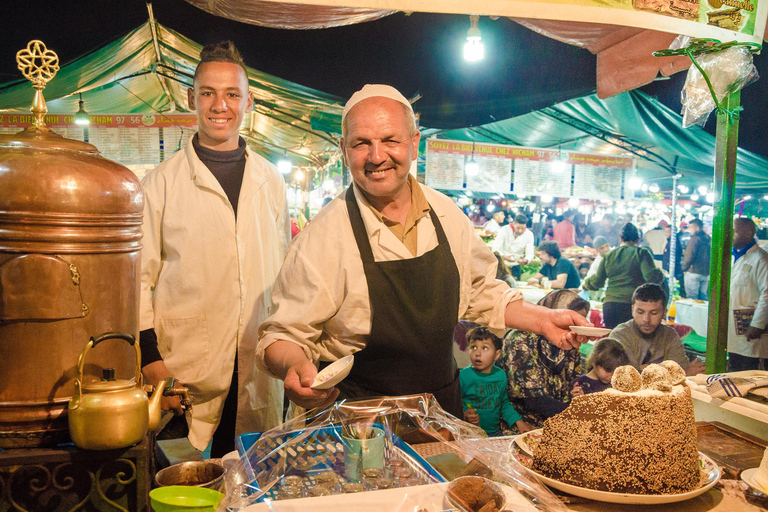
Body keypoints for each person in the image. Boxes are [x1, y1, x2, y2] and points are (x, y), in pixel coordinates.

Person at [256, 84, 591, 417]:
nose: (376, 156)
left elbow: (481, 291)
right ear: (344, 148)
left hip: (441, 416)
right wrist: (296, 364)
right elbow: (281, 336)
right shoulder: (322, 238)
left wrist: (545, 320)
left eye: (390, 140)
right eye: (361, 143)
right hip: (358, 422)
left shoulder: (447, 216)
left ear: (414, 143)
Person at [139, 41, 289, 456]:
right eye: (208, 93)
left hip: (259, 366)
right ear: (192, 98)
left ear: (248, 101)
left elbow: (283, 271)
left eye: (232, 94)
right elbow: (138, 280)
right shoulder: (162, 183)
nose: (220, 105)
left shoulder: (271, 180)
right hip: (185, 371)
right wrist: (151, 360)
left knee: (250, 479)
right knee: (186, 481)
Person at [497, 291, 588, 428]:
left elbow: (573, 383)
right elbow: (531, 399)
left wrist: (576, 394)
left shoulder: (571, 343)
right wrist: (572, 416)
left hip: (558, 421)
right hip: (522, 422)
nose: (577, 330)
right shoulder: (520, 339)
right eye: (573, 322)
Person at [610, 284, 706, 375]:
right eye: (640, 312)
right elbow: (628, 378)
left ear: (664, 313)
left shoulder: (669, 335)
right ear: (632, 311)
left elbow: (682, 370)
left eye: (654, 313)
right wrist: (670, 372)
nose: (646, 319)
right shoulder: (620, 336)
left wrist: (643, 369)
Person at [583, 223, 664, 329]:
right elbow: (651, 278)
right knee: (632, 341)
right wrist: (661, 274)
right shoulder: (641, 253)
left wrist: (586, 284)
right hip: (632, 305)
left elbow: (597, 281)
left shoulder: (609, 256)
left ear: (620, 238)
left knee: (613, 341)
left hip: (610, 306)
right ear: (638, 240)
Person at [460, 327, 534, 436]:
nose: (477, 353)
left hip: (494, 434)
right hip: (469, 435)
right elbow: (453, 407)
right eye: (473, 347)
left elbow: (503, 403)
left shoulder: (500, 375)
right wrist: (464, 415)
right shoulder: (463, 376)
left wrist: (519, 422)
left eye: (484, 348)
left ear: (497, 354)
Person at [727, 218, 768, 371]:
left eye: (735, 232)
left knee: (749, 370)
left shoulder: (761, 260)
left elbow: (766, 295)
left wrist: (757, 324)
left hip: (751, 331)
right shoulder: (731, 257)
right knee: (734, 367)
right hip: (733, 330)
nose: (731, 235)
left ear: (749, 233)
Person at [492, 213, 535, 280]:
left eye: (522, 228)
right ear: (513, 224)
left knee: (515, 287)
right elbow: (495, 248)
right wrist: (504, 256)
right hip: (502, 265)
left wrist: (526, 260)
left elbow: (530, 253)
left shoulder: (529, 234)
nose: (520, 230)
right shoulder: (504, 230)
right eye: (518, 228)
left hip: (515, 266)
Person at [682, 218, 711, 300]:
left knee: (692, 298)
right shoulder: (708, 238)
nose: (690, 230)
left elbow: (689, 255)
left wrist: (684, 268)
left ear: (697, 228)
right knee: (703, 296)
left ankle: (693, 313)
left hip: (693, 271)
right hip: (706, 272)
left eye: (691, 227)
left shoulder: (694, 239)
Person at [662, 224, 685, 298]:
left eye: (668, 232)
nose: (666, 234)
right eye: (665, 232)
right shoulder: (670, 242)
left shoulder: (674, 243)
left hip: (674, 271)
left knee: (675, 289)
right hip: (670, 270)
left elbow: (674, 257)